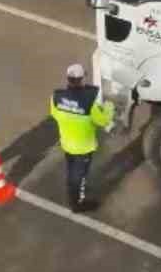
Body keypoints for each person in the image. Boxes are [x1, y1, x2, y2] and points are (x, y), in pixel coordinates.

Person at [49, 63, 115, 212]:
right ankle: (78, 204)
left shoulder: (56, 97)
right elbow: (103, 120)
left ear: (68, 78)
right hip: (84, 147)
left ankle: (74, 189)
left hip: (67, 144)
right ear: (82, 79)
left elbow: (54, 114)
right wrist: (109, 107)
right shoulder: (89, 102)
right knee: (80, 176)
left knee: (72, 171)